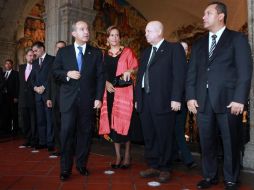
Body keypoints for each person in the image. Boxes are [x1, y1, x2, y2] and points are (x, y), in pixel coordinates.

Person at [186, 2, 253, 190]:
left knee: (231, 142)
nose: (203, 17)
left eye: (208, 13)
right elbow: (192, 73)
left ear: (221, 16)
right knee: (206, 142)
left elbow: (245, 71)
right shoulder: (199, 44)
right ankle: (209, 176)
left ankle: (231, 179)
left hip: (229, 101)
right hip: (203, 102)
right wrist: (190, 96)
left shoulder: (237, 39)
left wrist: (240, 98)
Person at [52, 20, 105, 181]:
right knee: (67, 133)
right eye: (82, 29)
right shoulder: (63, 52)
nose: (86, 31)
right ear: (74, 33)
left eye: (87, 28)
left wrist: (98, 98)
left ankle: (81, 165)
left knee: (85, 134)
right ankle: (65, 169)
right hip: (68, 101)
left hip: (87, 101)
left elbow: (100, 77)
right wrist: (67, 74)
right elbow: (55, 72)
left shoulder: (95, 53)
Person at [135, 21, 186, 183]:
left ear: (159, 32)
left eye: (148, 31)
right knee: (149, 135)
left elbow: (179, 76)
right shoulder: (145, 52)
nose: (146, 34)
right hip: (145, 99)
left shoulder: (174, 49)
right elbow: (141, 77)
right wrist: (138, 99)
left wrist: (176, 98)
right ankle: (154, 164)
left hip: (164, 100)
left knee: (164, 135)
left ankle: (165, 167)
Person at [99, 26, 138, 169]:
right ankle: (117, 156)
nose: (114, 38)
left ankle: (127, 155)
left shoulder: (127, 52)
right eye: (112, 35)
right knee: (113, 125)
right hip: (109, 92)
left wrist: (129, 70)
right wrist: (105, 83)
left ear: (119, 37)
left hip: (124, 93)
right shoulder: (103, 55)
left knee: (125, 123)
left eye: (117, 35)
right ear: (107, 38)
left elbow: (135, 67)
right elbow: (101, 74)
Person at [173, 41, 197, 169]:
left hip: (183, 103)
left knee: (178, 130)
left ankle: (186, 158)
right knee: (173, 130)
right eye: (181, 48)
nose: (184, 51)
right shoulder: (171, 65)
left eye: (186, 49)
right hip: (171, 103)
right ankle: (179, 156)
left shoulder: (190, 66)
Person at [31, 41, 55, 151]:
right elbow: (32, 78)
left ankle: (50, 142)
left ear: (42, 48)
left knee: (49, 119)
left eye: (36, 50)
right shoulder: (35, 62)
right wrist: (35, 87)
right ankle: (42, 141)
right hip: (38, 95)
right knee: (40, 120)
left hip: (48, 94)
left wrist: (44, 87)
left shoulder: (52, 59)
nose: (34, 53)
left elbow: (52, 76)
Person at [46, 40, 66, 157]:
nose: (59, 50)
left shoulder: (69, 62)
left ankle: (68, 148)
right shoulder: (51, 62)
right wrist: (48, 98)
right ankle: (59, 148)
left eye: (62, 48)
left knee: (67, 125)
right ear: (55, 49)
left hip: (66, 99)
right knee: (56, 124)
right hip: (54, 99)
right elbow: (48, 81)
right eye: (57, 48)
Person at [19, 49, 37, 147]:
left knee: (33, 121)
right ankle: (27, 140)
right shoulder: (21, 68)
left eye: (33, 56)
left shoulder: (37, 68)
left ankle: (34, 140)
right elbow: (20, 84)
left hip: (33, 98)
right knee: (25, 121)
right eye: (29, 55)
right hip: (22, 99)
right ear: (26, 56)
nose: (31, 57)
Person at [2, 59, 19, 135]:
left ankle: (15, 130)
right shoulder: (3, 74)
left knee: (14, 114)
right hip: (4, 98)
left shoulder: (16, 73)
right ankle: (7, 130)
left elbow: (17, 85)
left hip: (13, 97)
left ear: (11, 65)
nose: (7, 65)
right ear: (4, 65)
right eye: (6, 64)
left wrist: (16, 97)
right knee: (6, 114)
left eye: (9, 64)